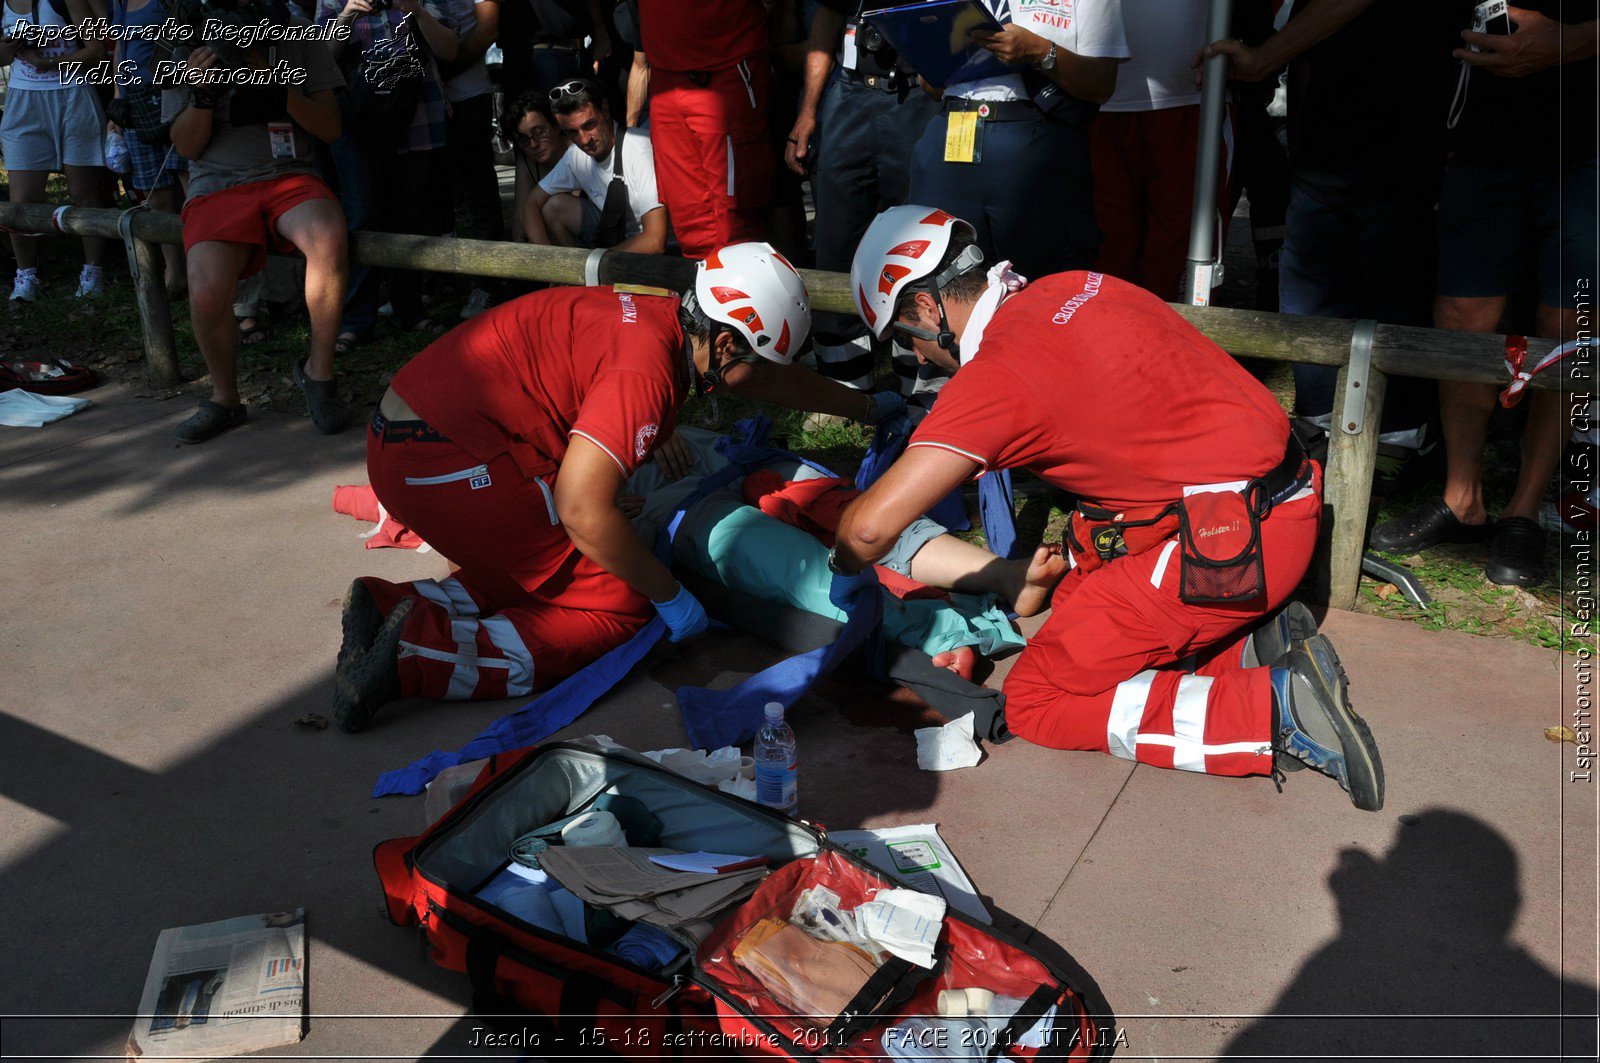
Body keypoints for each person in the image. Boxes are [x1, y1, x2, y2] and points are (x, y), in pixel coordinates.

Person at [829, 205, 1386, 811]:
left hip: (1227, 547)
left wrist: (835, 568)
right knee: (1072, 602)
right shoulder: (1070, 286)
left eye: (903, 337)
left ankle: (1275, 711)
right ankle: (1246, 646)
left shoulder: (996, 376)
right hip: (1278, 492)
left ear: (929, 310)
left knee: (1038, 701)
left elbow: (867, 528)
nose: (914, 356)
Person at [333, 243, 904, 731]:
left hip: (409, 442)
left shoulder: (658, 312)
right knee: (616, 604)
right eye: (757, 362)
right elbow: (582, 510)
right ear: (727, 346)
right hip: (446, 464)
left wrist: (865, 406)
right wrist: (669, 596)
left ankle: (395, 605)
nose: (757, 381)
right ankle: (418, 656)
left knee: (558, 560)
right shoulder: (647, 373)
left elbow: (764, 379)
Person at [1369, 2, 1598, 588]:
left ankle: (1525, 511)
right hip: (1485, 136)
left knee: (1567, 324)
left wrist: (1576, 40)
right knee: (1463, 313)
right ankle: (1461, 497)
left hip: (1589, 142)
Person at [1198, 0, 1459, 490]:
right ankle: (1318, 424)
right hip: (1324, 138)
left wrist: (1264, 56)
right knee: (1312, 287)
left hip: (1398, 120)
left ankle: (1399, 438)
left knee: (1391, 283)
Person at [161, 24, 349, 443]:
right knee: (207, 291)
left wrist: (275, 83)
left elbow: (331, 128)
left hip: (289, 174)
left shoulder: (299, 35)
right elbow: (186, 146)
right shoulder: (187, 43)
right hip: (218, 183)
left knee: (327, 237)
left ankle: (319, 375)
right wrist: (203, 96)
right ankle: (225, 399)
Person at [905, 0, 1128, 281]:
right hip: (954, 131)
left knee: (1048, 286)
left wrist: (1038, 50)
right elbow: (931, 85)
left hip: (1037, 138)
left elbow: (1101, 84)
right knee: (943, 281)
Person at [785, 1, 941, 399]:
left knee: (917, 246)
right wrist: (808, 111)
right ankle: (844, 383)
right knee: (836, 239)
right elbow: (826, 20)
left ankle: (920, 380)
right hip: (850, 92)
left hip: (916, 97)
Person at [317, 0, 460, 349]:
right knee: (363, 213)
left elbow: (450, 50)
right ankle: (356, 320)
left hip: (417, 112)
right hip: (357, 117)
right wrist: (348, 13)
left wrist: (418, 11)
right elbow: (322, 57)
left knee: (411, 214)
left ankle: (409, 309)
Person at [1089, 0, 1213, 302]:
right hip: (1093, 97)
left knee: (1177, 250)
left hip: (1186, 97)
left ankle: (1174, 345)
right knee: (1106, 249)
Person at [630, 0, 772, 259]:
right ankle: (703, 289)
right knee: (687, 212)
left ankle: (742, 294)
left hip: (726, 68)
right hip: (666, 76)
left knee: (735, 215)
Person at [1, 0, 111, 301]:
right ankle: (25, 276)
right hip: (23, 101)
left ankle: (93, 273)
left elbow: (96, 51)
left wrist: (50, 62)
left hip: (73, 95)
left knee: (84, 193)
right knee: (21, 200)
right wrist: (11, 46)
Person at [522, 77, 667, 253]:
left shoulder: (639, 150)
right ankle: (572, 271)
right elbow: (532, 202)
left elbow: (655, 240)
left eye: (589, 125)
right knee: (553, 206)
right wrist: (547, 261)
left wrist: (593, 263)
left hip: (655, 247)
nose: (584, 140)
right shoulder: (575, 155)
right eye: (572, 132)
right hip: (614, 235)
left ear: (604, 110)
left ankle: (585, 273)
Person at [108, 0, 188, 296]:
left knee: (191, 186)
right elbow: (120, 49)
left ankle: (201, 267)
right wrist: (119, 98)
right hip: (136, 104)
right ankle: (175, 273)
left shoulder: (168, 2)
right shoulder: (121, 1)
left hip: (173, 96)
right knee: (156, 196)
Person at [435, 0, 504, 318]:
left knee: (479, 193)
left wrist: (445, 68)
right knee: (430, 192)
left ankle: (485, 285)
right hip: (421, 95)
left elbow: (488, 27)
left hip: (466, 92)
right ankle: (435, 282)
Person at [502, 91, 564, 243]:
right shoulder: (527, 161)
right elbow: (520, 217)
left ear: (556, 125)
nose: (533, 145)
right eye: (523, 139)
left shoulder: (576, 152)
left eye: (539, 132)